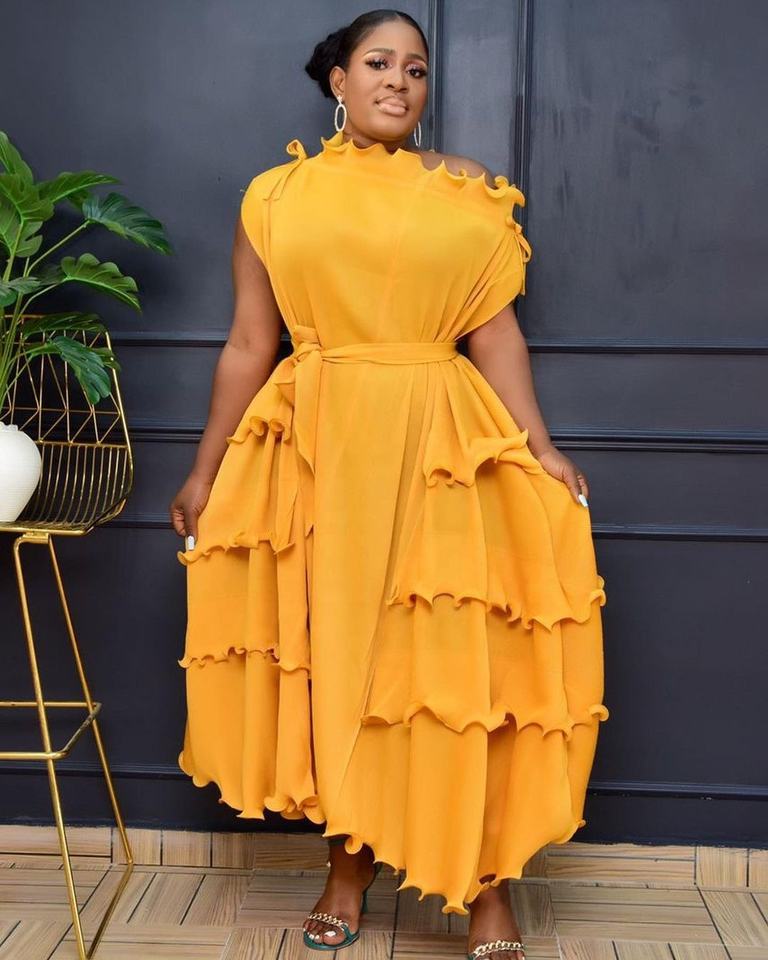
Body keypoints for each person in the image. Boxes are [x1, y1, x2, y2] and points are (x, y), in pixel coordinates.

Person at [169, 9, 609, 960]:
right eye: (378, 63)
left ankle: (485, 889)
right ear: (339, 81)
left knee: (454, 661)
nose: (398, 82)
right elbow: (249, 342)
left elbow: (495, 334)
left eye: (415, 69)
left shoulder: (468, 193)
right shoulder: (276, 198)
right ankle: (348, 864)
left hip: (443, 441)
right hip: (320, 447)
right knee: (339, 659)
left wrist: (540, 447)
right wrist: (206, 468)